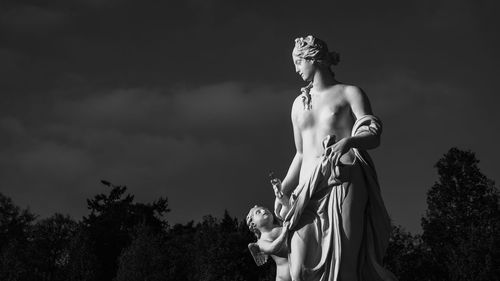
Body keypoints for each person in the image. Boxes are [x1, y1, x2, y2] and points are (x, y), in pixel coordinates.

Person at [277, 35, 397, 281]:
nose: (296, 68)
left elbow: (373, 135)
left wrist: (349, 142)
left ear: (314, 58)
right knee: (298, 271)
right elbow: (300, 153)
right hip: (306, 189)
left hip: (343, 181)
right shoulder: (298, 105)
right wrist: (284, 189)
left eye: (299, 61)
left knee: (343, 267)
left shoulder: (349, 92)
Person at [247, 205, 291, 281]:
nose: (264, 211)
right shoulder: (261, 242)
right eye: (258, 212)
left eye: (265, 209)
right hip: (286, 274)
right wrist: (284, 233)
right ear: (253, 224)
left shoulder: (280, 225)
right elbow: (272, 248)